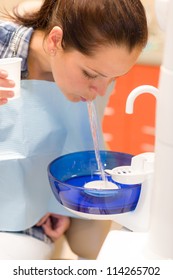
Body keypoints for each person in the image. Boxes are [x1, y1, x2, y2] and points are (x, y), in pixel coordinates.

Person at [0, 0, 148, 259]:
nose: (101, 90)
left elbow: (74, 142)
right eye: (91, 74)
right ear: (56, 41)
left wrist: (53, 204)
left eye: (112, 78)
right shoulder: (4, 48)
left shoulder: (97, 73)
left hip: (39, 211)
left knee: (106, 252)